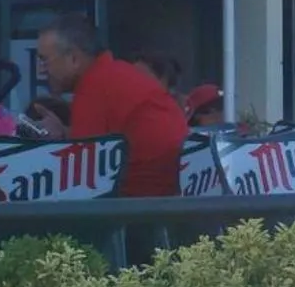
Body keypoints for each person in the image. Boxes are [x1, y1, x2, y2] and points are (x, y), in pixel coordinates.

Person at [32, 14, 187, 198]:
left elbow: (82, 181)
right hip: (167, 201)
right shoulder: (111, 75)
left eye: (44, 60)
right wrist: (64, 134)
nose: (41, 69)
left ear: (74, 59)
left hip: (143, 209)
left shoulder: (94, 87)